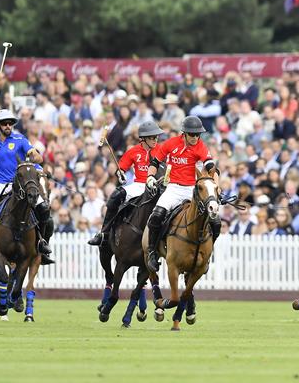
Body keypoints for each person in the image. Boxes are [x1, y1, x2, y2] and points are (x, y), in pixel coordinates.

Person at [0, 109, 53, 264]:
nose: (8, 125)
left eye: (10, 123)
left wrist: (34, 156)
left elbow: (38, 157)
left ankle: (42, 242)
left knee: (44, 209)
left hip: (21, 183)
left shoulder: (20, 139)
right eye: (4, 123)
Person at [144, 116, 217, 273]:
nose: (195, 137)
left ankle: (207, 254)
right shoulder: (171, 143)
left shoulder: (200, 146)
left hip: (192, 190)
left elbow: (210, 166)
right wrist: (150, 176)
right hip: (173, 188)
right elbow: (155, 163)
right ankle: (152, 252)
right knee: (156, 215)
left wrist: (215, 187)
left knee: (215, 220)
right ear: (184, 133)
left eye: (198, 135)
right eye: (192, 134)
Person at [87, 120, 164, 246]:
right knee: (115, 196)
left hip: (157, 185)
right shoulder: (133, 151)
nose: (155, 139)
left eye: (156, 136)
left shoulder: (161, 150)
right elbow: (121, 168)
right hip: (139, 185)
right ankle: (104, 233)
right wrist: (120, 174)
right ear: (143, 139)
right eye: (152, 137)